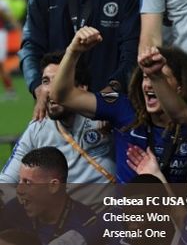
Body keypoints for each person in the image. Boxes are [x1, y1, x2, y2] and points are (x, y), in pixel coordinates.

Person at [50, 26, 187, 183]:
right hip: (126, 225)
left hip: (176, 224)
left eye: (159, 76)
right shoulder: (122, 107)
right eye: (145, 77)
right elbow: (63, 95)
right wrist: (73, 51)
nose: (149, 83)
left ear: (182, 87)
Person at [0, 53, 115, 206]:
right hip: (63, 223)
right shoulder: (37, 128)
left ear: (81, 87)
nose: (51, 90)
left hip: (109, 219)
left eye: (60, 80)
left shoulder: (106, 118)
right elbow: (6, 182)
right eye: (46, 81)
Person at [0, 147, 107, 244]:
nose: (19, 190)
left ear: (54, 186)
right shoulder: (13, 212)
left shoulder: (85, 227)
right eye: (20, 181)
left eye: (27, 182)